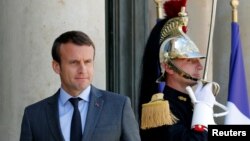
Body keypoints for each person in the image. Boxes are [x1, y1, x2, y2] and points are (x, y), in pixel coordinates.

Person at [20, 30, 141, 141]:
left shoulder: (119, 107)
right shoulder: (33, 115)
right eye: (74, 62)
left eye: (88, 62)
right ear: (56, 67)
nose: (83, 69)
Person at [138, 0, 225, 141]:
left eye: (198, 60)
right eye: (189, 60)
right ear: (168, 67)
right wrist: (202, 109)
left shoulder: (191, 103)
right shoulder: (163, 110)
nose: (199, 66)